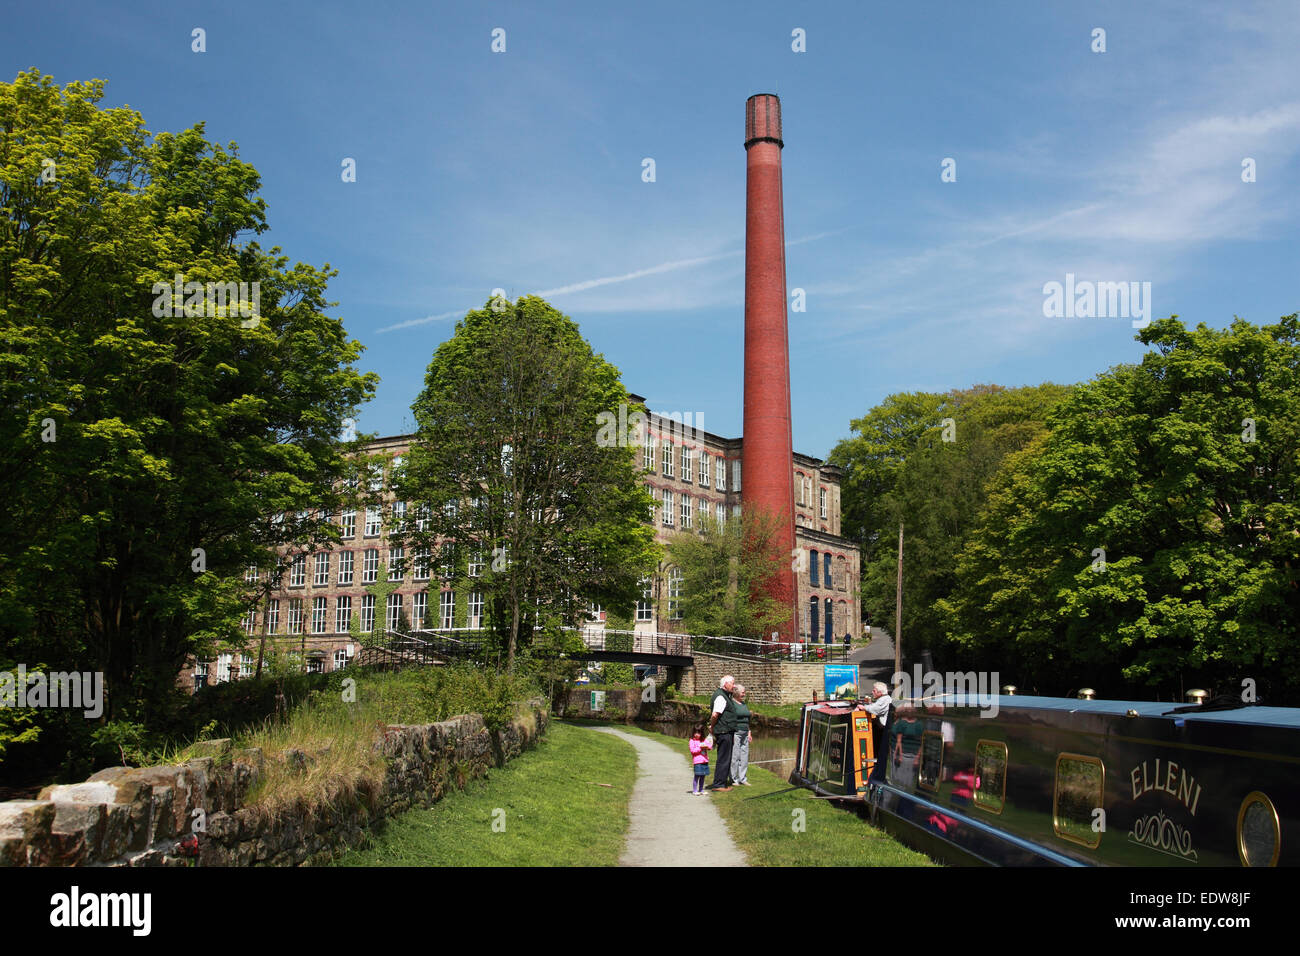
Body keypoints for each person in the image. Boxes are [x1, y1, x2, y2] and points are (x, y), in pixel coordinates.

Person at [707, 674, 737, 791]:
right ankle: (719, 784)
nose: (734, 686)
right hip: (724, 731)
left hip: (726, 731)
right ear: (725, 684)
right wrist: (712, 726)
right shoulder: (721, 697)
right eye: (732, 683)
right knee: (724, 758)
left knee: (725, 757)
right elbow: (715, 714)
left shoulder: (724, 695)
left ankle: (721, 783)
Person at [864, 681, 892, 784]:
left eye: (874, 690)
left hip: (883, 731)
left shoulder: (884, 700)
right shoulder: (882, 699)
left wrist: (864, 707)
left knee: (880, 752)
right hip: (882, 729)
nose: (872, 692)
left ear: (880, 692)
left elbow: (874, 709)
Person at [730, 684, 753, 786]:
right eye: (742, 692)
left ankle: (742, 778)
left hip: (745, 733)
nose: (744, 694)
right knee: (735, 756)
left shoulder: (743, 704)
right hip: (736, 733)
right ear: (736, 692)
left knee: (744, 756)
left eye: (744, 692)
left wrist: (749, 732)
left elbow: (747, 719)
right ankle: (734, 779)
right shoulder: (731, 704)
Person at [688, 723, 712, 795]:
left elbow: (709, 746)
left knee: (703, 776)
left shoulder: (703, 740)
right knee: (697, 776)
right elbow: (692, 751)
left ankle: (701, 790)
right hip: (697, 762)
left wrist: (707, 747)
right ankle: (695, 790)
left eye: (698, 733)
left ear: (702, 733)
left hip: (704, 761)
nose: (696, 734)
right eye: (695, 732)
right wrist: (700, 748)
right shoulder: (692, 741)